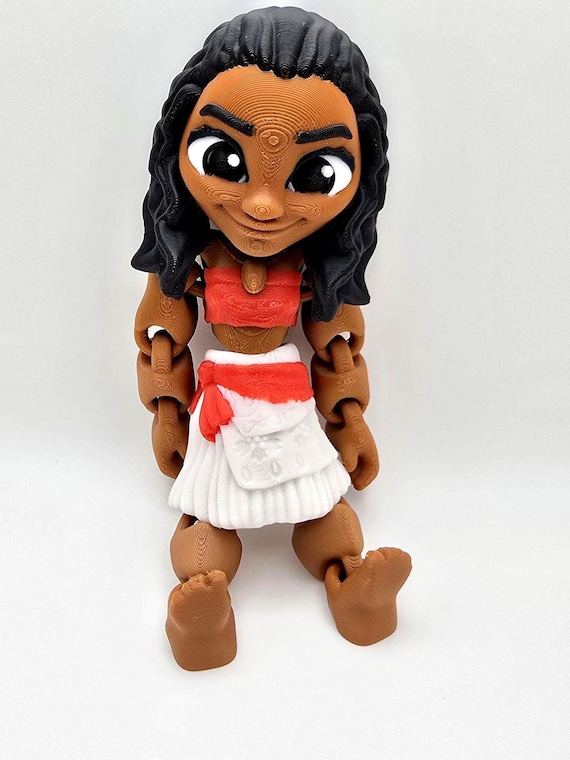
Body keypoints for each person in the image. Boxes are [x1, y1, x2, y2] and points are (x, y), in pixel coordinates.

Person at [133, 7, 411, 671]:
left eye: (315, 175)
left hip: (289, 404)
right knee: (207, 516)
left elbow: (339, 348)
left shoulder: (314, 274)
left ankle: (352, 585)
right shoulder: (194, 266)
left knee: (321, 503)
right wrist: (167, 413)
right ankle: (202, 610)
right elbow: (162, 339)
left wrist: (350, 421)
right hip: (221, 407)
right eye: (224, 159)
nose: (262, 205)